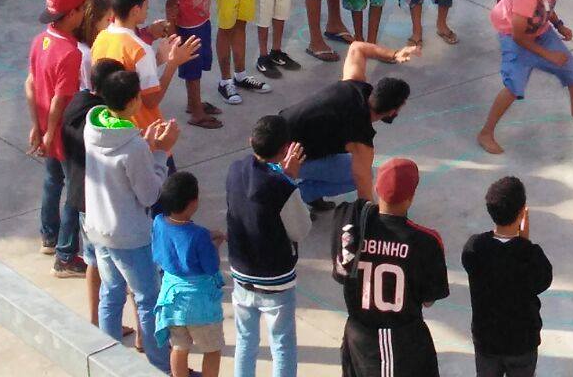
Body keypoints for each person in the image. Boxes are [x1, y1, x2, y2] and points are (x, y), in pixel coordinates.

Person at [83, 69, 178, 373]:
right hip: (129, 236)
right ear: (135, 100)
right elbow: (149, 196)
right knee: (148, 299)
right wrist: (160, 153)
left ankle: (108, 361)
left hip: (99, 229)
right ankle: (160, 365)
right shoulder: (133, 146)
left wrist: (145, 147)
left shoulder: (94, 125)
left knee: (110, 294)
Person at [332, 158, 449, 377]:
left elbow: (341, 273)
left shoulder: (350, 223)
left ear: (377, 188)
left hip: (357, 336)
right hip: (397, 341)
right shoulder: (425, 241)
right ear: (411, 197)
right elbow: (429, 299)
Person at [476, 0, 573, 154]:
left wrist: (559, 25)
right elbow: (519, 36)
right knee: (513, 87)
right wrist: (549, 56)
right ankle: (486, 133)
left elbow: (547, 6)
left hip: (541, 29)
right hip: (513, 35)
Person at [279, 40, 418, 210]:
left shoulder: (354, 83)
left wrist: (394, 54)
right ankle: (297, 196)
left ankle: (305, 193)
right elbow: (363, 184)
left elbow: (357, 47)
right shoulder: (361, 138)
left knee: (344, 161)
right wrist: (373, 222)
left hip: (274, 136)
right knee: (354, 176)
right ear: (392, 111)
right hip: (284, 159)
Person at [227, 115, 311, 377]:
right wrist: (290, 180)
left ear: (251, 141)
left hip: (242, 272)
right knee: (282, 345)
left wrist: (283, 177)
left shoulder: (234, 169)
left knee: (246, 340)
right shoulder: (281, 186)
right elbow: (300, 229)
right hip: (275, 279)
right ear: (286, 149)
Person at [63, 59, 134, 335]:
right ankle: (112, 327)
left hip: (80, 197)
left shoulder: (77, 104)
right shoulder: (100, 122)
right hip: (99, 204)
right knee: (116, 272)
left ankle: (95, 319)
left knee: (93, 260)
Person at [461, 176, 554, 377]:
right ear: (522, 213)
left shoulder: (474, 247)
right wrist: (524, 243)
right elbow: (543, 280)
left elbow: (472, 263)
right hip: (522, 343)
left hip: (486, 341)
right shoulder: (530, 254)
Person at [28, 0, 88, 276]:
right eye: (81, 9)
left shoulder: (41, 41)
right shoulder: (71, 52)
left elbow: (30, 86)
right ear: (72, 14)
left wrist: (37, 128)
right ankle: (66, 255)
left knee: (52, 182)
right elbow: (59, 100)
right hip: (65, 131)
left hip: (46, 128)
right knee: (75, 192)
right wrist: (52, 132)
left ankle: (48, 237)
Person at [93, 0, 200, 131]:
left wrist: (156, 60)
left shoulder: (101, 38)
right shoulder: (141, 50)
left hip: (115, 127)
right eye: (146, 7)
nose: (147, 10)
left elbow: (125, 74)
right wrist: (172, 64)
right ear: (135, 10)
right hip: (144, 133)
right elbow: (151, 101)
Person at [151, 171, 226, 377]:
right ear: (193, 202)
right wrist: (215, 245)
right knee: (212, 349)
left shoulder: (158, 222)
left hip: (172, 299)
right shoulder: (199, 235)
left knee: (179, 347)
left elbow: (173, 242)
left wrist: (206, 237)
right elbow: (211, 267)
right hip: (199, 303)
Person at [167, 0, 221, 130]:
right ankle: (197, 114)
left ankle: (194, 103)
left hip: (203, 23)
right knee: (192, 71)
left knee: (201, 64)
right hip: (188, 29)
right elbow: (171, 4)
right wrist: (173, 34)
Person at [74, 0, 114, 91]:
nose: (112, 24)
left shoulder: (81, 44)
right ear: (93, 23)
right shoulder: (87, 56)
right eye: (108, 20)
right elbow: (92, 89)